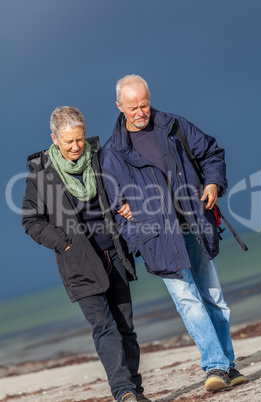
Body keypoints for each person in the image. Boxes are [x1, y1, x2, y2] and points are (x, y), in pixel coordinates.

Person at [100, 75, 247, 392]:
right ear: (119, 107)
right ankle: (216, 366)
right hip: (158, 238)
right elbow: (115, 207)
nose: (141, 112)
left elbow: (211, 151)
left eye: (144, 104)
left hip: (193, 223)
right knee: (187, 300)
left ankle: (227, 365)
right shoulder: (112, 154)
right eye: (133, 107)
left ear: (149, 98)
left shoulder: (173, 126)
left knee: (214, 298)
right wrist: (140, 241)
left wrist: (212, 183)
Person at [21, 106, 151, 402]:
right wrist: (64, 243)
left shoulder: (100, 158)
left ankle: (136, 392)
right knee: (104, 328)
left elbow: (123, 187)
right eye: (68, 142)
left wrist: (127, 203)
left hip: (114, 253)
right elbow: (31, 221)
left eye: (79, 139)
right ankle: (124, 393)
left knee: (125, 328)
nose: (76, 147)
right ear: (54, 139)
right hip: (78, 263)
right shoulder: (41, 177)